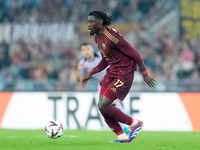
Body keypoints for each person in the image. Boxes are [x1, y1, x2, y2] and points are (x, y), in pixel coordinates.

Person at [81, 10, 156, 143]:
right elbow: (105, 59)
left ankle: (134, 123)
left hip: (124, 73)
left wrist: (145, 73)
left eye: (91, 21)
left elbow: (134, 53)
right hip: (112, 71)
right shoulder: (97, 37)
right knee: (101, 106)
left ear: (100, 22)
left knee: (104, 105)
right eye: (88, 22)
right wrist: (91, 73)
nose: (89, 24)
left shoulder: (111, 36)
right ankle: (121, 136)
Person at [76, 42, 130, 134]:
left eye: (88, 49)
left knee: (110, 103)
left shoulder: (101, 56)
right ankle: (125, 122)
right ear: (82, 52)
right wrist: (78, 70)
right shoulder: (82, 63)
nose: (86, 51)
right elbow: (78, 79)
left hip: (113, 79)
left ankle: (127, 122)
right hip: (101, 85)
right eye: (84, 50)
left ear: (92, 49)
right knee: (104, 106)